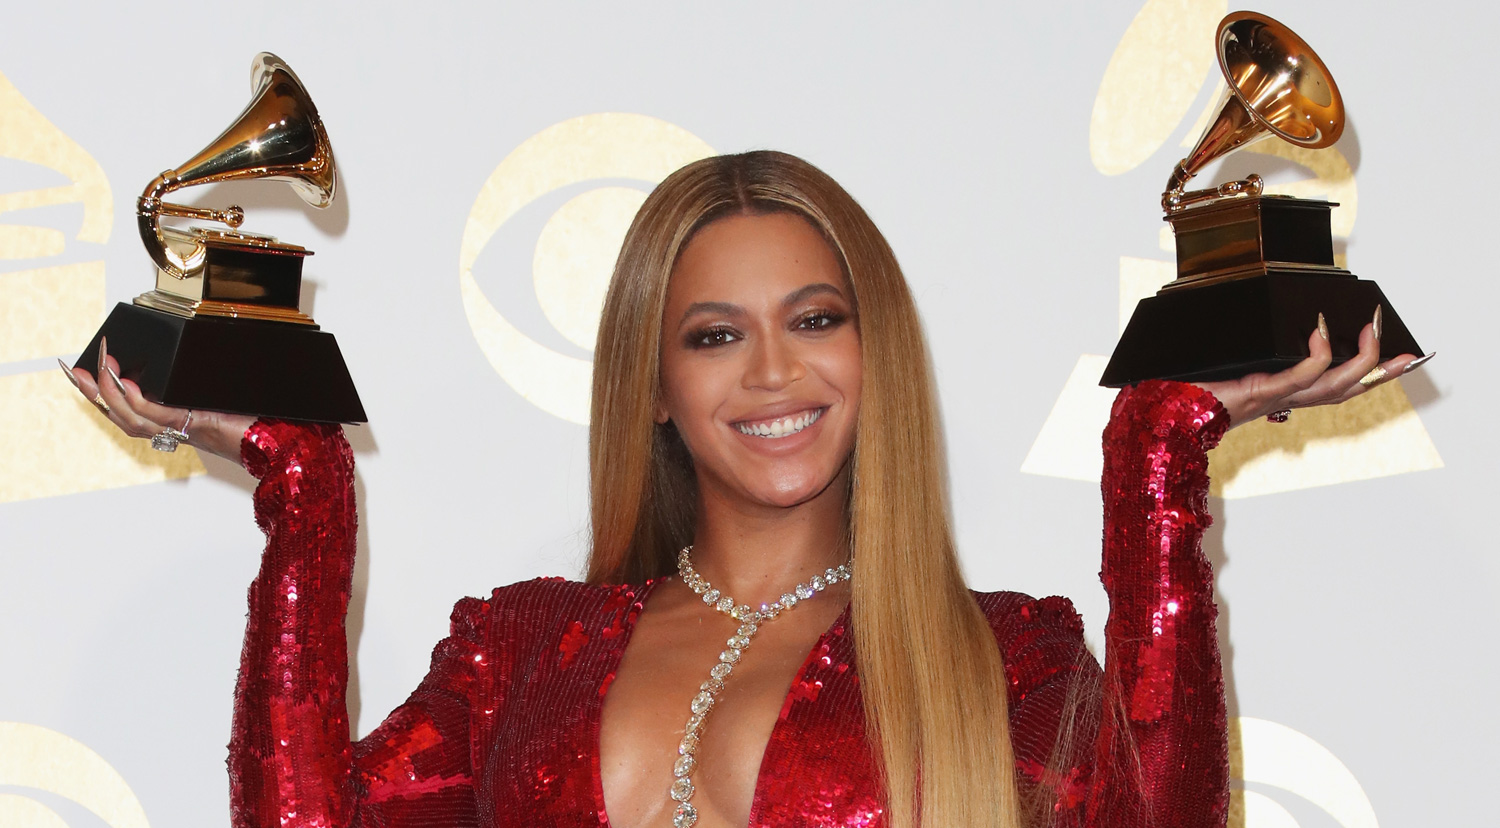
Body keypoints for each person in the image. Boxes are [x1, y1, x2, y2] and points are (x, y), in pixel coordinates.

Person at [63, 151, 1428, 828]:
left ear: (875, 349)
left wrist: (1160, 472)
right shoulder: (517, 649)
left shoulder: (1010, 659)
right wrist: (305, 505)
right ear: (654, 384)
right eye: (715, 334)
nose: (774, 371)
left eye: (817, 319)